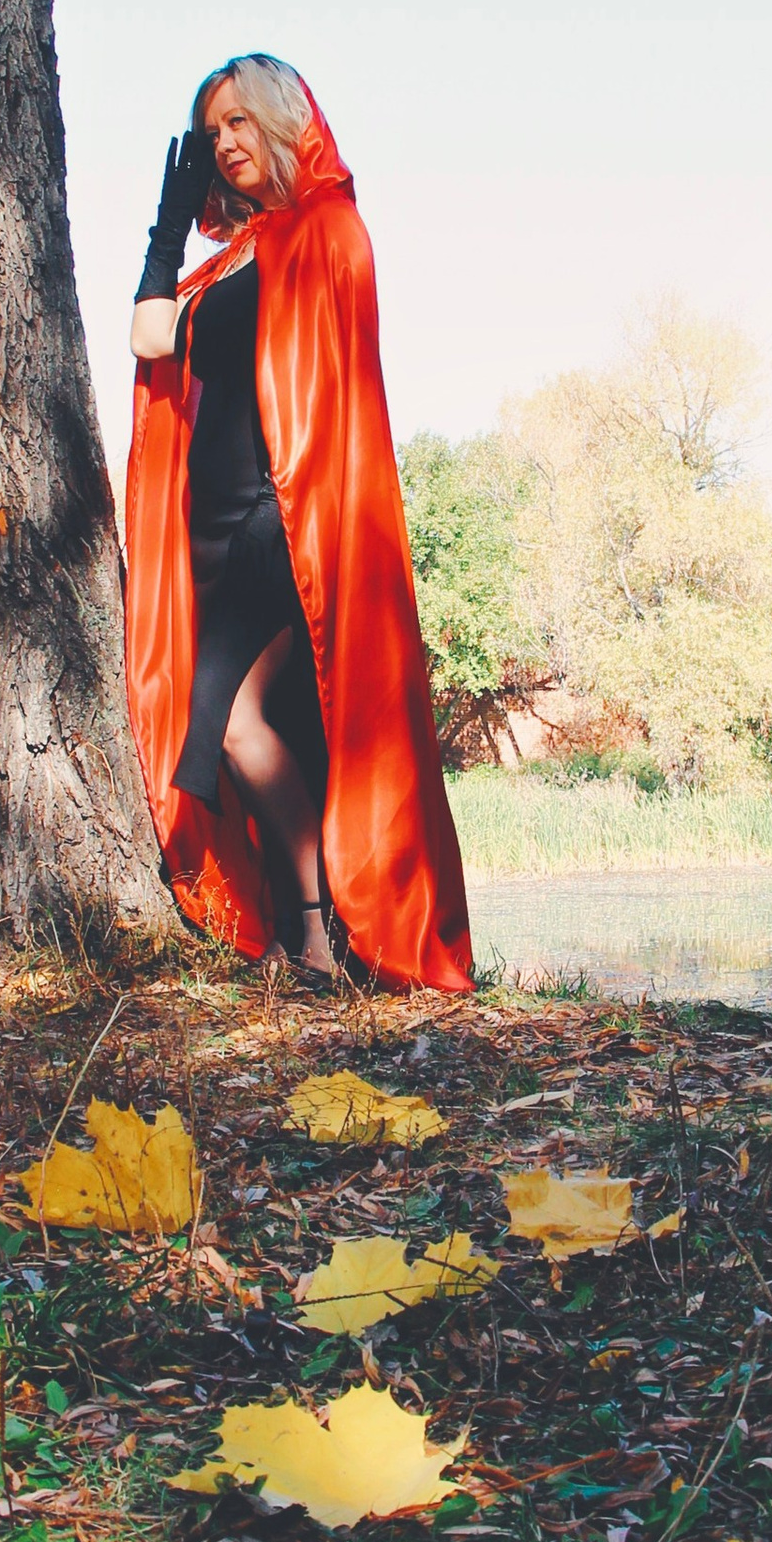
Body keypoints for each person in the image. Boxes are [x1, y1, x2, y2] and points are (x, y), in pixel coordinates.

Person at [121, 56, 471, 993]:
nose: (226, 141)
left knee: (234, 729)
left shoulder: (328, 230)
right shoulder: (232, 258)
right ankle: (305, 925)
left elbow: (330, 402)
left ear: (280, 122)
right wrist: (167, 218)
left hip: (285, 522)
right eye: (211, 132)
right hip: (211, 529)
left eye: (239, 121)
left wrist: (292, 511)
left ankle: (314, 934)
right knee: (268, 728)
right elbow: (151, 338)